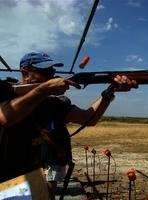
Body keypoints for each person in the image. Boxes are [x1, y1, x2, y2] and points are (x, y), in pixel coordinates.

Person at [0, 52, 138, 185]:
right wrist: (46, 88)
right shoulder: (4, 89)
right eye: (45, 72)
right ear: (25, 74)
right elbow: (7, 117)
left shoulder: (50, 102)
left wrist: (110, 92)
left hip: (28, 176)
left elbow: (87, 118)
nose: (52, 76)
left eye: (52, 71)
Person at [41, 95, 74, 200]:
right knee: (51, 183)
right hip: (51, 155)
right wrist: (59, 149)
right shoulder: (52, 117)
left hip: (57, 156)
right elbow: (45, 134)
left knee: (52, 182)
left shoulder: (60, 120)